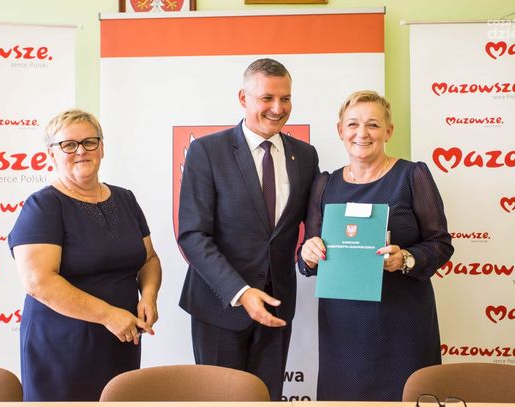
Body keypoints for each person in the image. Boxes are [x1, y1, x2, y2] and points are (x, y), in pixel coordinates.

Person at [178, 58, 319, 400]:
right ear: (243, 98)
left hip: (276, 307)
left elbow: (312, 226)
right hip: (219, 307)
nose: (278, 108)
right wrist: (241, 292)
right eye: (267, 98)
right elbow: (193, 235)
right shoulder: (206, 151)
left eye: (285, 98)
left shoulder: (306, 156)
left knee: (266, 399)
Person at [299, 90, 454, 401]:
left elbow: (441, 244)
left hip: (402, 323)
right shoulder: (325, 184)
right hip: (342, 327)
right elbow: (308, 258)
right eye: (353, 124)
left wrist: (406, 258)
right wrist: (308, 254)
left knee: (406, 397)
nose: (362, 133)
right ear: (340, 130)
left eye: (373, 124)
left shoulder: (412, 175)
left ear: (389, 131)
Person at [8, 109, 162, 401]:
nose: (81, 151)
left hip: (121, 339)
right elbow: (38, 282)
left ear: (101, 148)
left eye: (89, 142)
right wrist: (108, 315)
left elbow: (149, 259)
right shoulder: (43, 206)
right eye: (69, 145)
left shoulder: (125, 198)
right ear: (51, 155)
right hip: (62, 348)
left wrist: (149, 296)